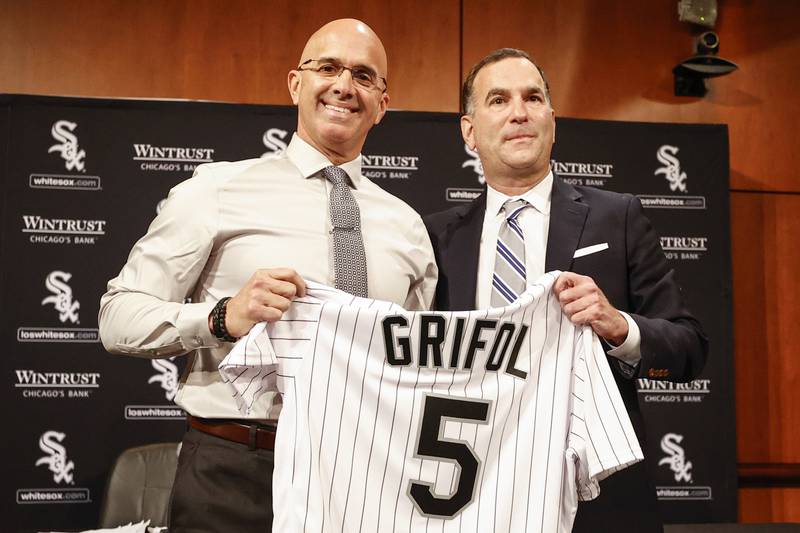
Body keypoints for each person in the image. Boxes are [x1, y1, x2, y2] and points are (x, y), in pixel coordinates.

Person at [99, 19, 436, 533]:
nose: (344, 85)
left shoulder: (407, 226)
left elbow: (414, 366)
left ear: (382, 104)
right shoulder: (214, 190)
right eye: (328, 67)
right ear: (296, 84)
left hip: (362, 476)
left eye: (364, 76)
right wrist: (222, 316)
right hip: (235, 474)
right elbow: (117, 319)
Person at [424, 48, 708, 533]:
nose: (519, 112)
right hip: (472, 492)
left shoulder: (617, 217)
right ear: (469, 131)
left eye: (533, 98)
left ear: (551, 120)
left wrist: (619, 327)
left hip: (596, 494)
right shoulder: (432, 238)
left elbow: (689, 350)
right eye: (498, 100)